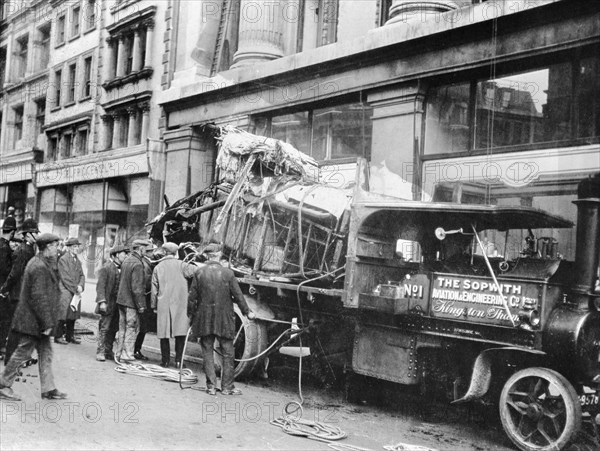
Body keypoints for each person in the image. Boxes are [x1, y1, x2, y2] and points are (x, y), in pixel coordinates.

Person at [0, 233, 67, 401]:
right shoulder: (38, 266)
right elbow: (39, 297)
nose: (57, 249)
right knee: (22, 351)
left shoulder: (43, 263)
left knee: (46, 353)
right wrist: (47, 322)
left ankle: (48, 388)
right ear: (47, 247)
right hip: (33, 321)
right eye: (54, 245)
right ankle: (2, 384)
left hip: (36, 320)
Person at [188, 244, 255, 396]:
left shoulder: (199, 273)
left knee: (207, 352)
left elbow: (192, 298)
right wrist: (247, 312)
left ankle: (211, 387)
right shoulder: (228, 274)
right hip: (224, 320)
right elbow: (238, 296)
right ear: (218, 255)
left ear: (207, 256)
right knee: (228, 353)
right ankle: (227, 387)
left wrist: (191, 317)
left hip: (204, 319)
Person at [151, 242, 198, 368]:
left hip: (163, 304)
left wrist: (154, 306)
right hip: (181, 304)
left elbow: (154, 289)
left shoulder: (158, 267)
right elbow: (197, 271)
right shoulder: (182, 265)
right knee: (180, 333)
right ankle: (178, 361)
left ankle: (165, 361)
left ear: (164, 252)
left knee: (164, 334)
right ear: (175, 253)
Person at [0, 218, 39, 364]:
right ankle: (11, 359)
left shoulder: (28, 249)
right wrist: (5, 290)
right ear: (28, 234)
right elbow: (15, 274)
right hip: (18, 295)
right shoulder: (23, 250)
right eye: (35, 232)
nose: (37, 235)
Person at [115, 239, 152, 362]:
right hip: (131, 303)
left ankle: (119, 353)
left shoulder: (126, 260)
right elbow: (137, 288)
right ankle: (128, 355)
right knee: (131, 328)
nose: (146, 251)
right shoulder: (137, 264)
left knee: (122, 329)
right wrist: (141, 305)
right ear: (140, 249)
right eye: (144, 248)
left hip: (121, 300)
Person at [95, 244, 129, 362]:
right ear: (115, 255)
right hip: (108, 303)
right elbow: (100, 287)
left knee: (114, 328)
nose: (125, 255)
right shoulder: (106, 268)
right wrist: (102, 302)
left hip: (117, 305)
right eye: (123, 253)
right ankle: (100, 351)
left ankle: (108, 350)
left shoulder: (123, 268)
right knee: (104, 328)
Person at [55, 237, 85, 345]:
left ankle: (69, 336)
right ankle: (58, 336)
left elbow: (82, 275)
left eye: (77, 246)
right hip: (65, 290)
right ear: (69, 248)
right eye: (74, 246)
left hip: (74, 290)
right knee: (62, 314)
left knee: (73, 314)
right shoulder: (63, 259)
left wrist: (81, 285)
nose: (76, 249)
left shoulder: (78, 261)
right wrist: (76, 288)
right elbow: (65, 277)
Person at [133, 243, 155, 361]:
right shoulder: (145, 264)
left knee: (142, 326)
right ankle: (136, 349)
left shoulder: (146, 262)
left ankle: (136, 349)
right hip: (144, 299)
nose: (153, 253)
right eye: (151, 251)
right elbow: (146, 282)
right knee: (142, 327)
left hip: (144, 298)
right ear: (146, 252)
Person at [0, 217, 16, 356]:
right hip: (2, 289)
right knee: (5, 319)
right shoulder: (5, 249)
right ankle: (1, 347)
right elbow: (6, 271)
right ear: (12, 232)